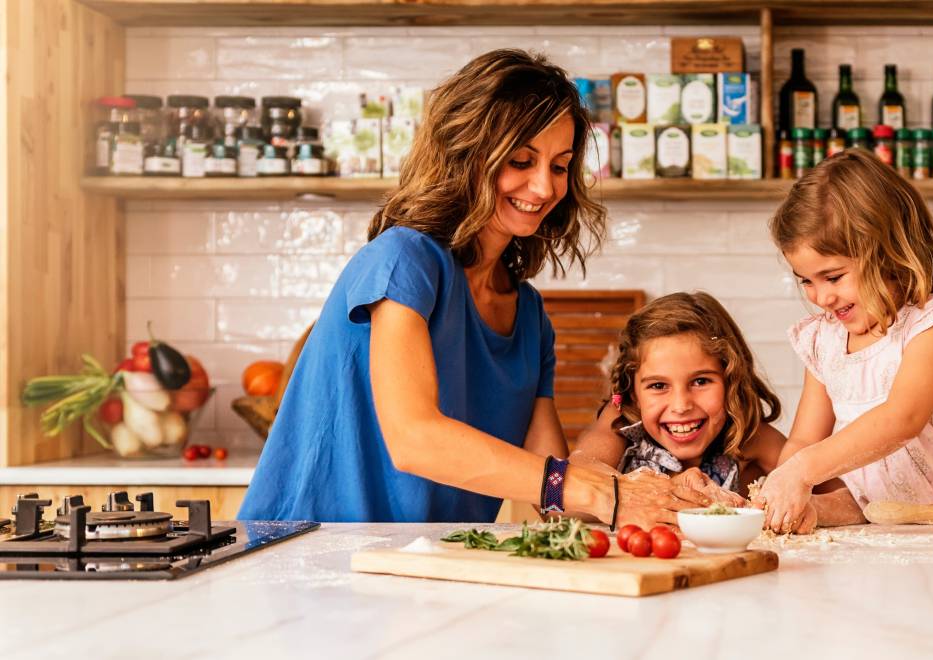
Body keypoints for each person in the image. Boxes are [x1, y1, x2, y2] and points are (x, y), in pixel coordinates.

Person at [239, 50, 691, 527]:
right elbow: (415, 439)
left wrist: (664, 493)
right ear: (467, 153)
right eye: (521, 160)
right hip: (305, 554)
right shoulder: (403, 260)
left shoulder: (529, 315)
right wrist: (596, 489)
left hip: (417, 567)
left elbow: (553, 496)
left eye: (559, 166)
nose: (542, 187)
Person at [758, 149, 933, 534]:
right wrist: (782, 487)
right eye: (806, 280)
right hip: (887, 533)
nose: (820, 297)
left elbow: (901, 420)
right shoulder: (823, 340)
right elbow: (804, 439)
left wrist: (802, 471)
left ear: (887, 252)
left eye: (833, 277)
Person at [573, 291, 860, 534]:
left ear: (730, 380)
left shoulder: (751, 439)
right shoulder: (621, 421)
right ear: (634, 392)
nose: (681, 405)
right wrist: (660, 492)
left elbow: (855, 500)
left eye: (701, 382)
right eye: (658, 385)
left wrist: (806, 509)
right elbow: (567, 486)